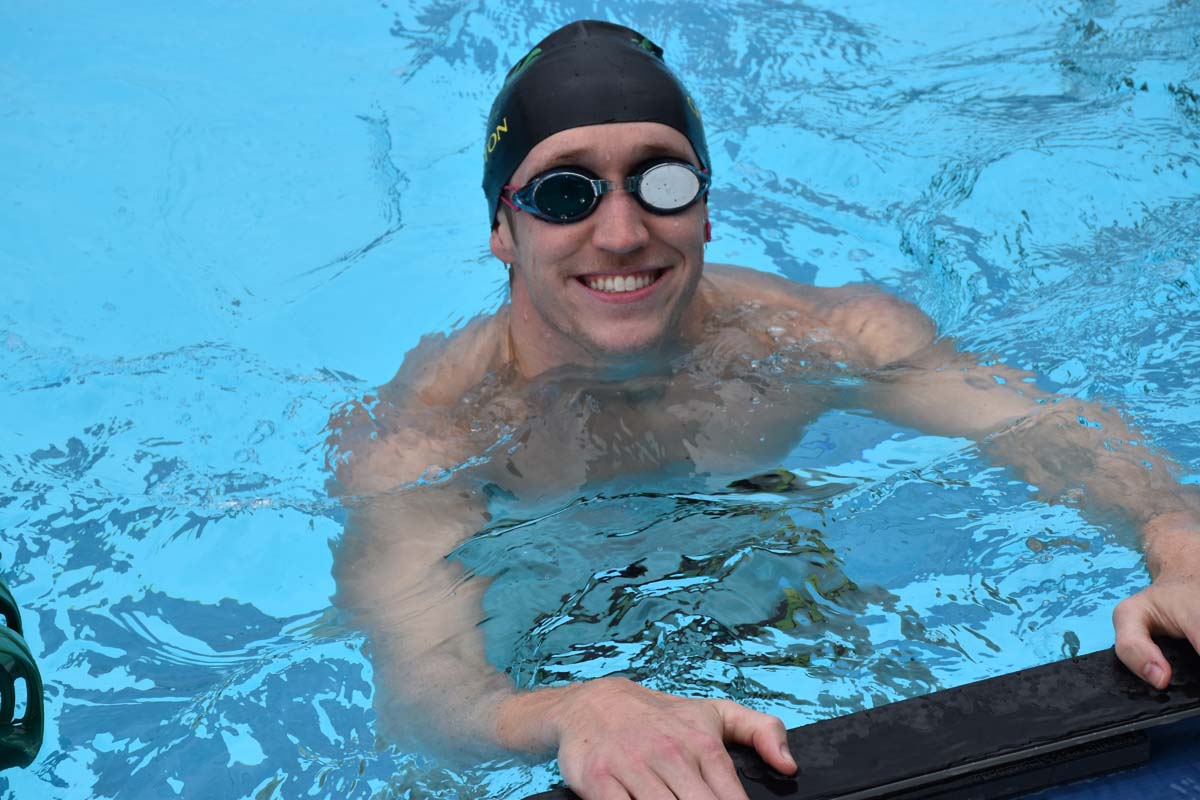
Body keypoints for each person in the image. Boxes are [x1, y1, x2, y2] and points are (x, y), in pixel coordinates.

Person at [327, 20, 1200, 800]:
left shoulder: (822, 341)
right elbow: (424, 695)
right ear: (500, 229)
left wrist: (1177, 542)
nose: (624, 232)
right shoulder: (429, 440)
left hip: (765, 561)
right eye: (565, 193)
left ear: (706, 210)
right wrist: (570, 710)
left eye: (661, 182)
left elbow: (1047, 430)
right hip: (539, 614)